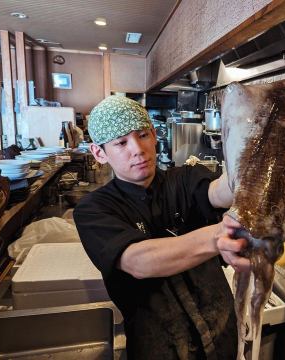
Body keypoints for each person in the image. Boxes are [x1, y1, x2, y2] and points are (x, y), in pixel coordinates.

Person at [73, 95, 249, 360]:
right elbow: (138, 261)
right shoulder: (94, 210)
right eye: (121, 143)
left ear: (154, 135)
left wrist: (249, 163)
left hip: (223, 336)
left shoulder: (185, 178)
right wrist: (216, 237)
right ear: (99, 153)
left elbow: (221, 192)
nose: (137, 149)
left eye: (143, 135)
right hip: (157, 348)